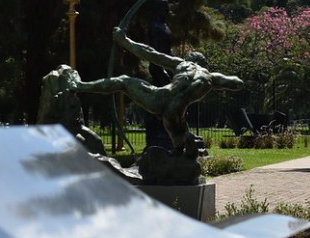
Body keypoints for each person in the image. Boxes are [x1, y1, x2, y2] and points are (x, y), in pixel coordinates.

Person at [71, 27, 244, 158]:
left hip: (160, 98)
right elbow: (236, 83)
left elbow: (151, 54)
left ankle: (80, 86)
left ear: (190, 60)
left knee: (123, 81)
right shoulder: (211, 77)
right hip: (176, 110)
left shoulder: (182, 65)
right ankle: (183, 143)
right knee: (178, 135)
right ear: (204, 65)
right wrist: (227, 82)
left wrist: (124, 41)